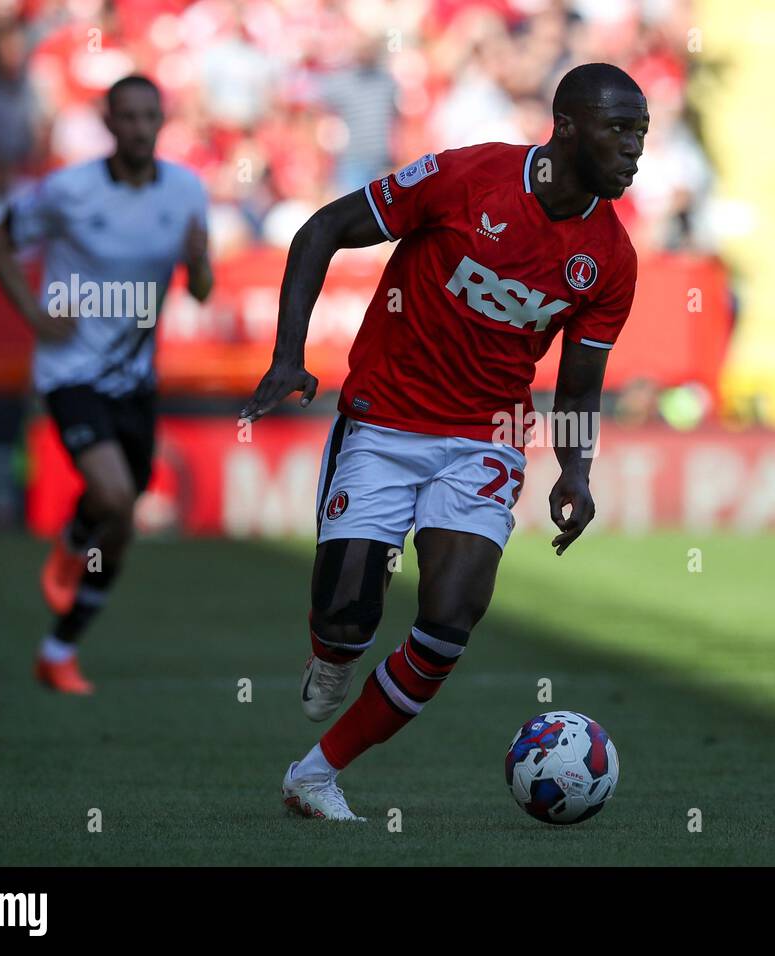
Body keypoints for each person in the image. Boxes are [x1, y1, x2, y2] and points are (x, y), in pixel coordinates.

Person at [240, 62, 646, 821]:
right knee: (347, 617)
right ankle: (332, 653)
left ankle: (317, 774)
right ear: (565, 127)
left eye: (642, 135)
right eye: (619, 130)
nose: (633, 149)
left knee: (451, 615)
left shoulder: (612, 259)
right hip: (385, 419)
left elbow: (582, 383)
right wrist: (288, 356)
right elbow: (322, 228)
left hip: (485, 438)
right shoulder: (469, 178)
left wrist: (576, 471)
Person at [0, 74, 213, 694]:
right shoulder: (69, 191)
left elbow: (200, 288)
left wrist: (201, 262)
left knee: (122, 522)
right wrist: (34, 316)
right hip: (71, 371)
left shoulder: (187, 190)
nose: (139, 128)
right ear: (108, 124)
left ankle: (58, 649)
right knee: (113, 494)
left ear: (162, 122)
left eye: (149, 117)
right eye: (127, 117)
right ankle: (73, 538)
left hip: (136, 378)